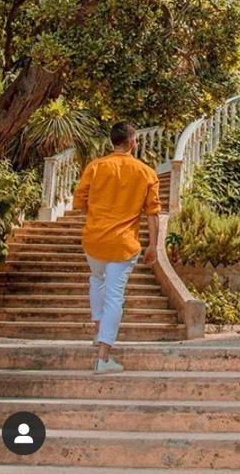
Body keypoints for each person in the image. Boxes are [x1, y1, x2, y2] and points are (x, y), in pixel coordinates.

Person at [72, 121, 160, 374]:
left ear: (113, 141)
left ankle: (98, 330)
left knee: (96, 279)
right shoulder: (145, 173)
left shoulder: (96, 167)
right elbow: (153, 213)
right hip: (123, 243)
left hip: (94, 240)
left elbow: (79, 202)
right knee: (114, 296)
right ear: (132, 142)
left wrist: (97, 216)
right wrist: (152, 246)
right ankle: (103, 356)